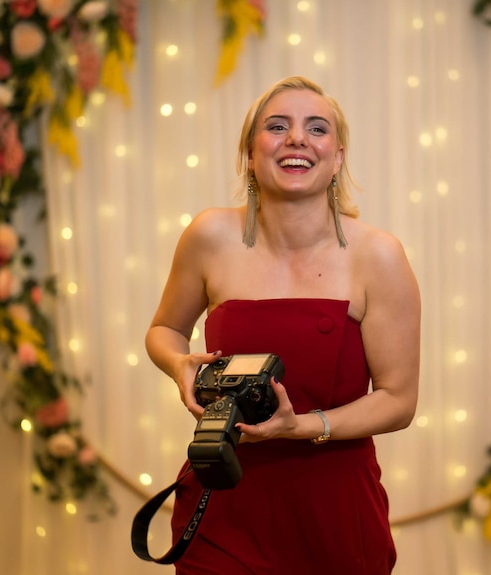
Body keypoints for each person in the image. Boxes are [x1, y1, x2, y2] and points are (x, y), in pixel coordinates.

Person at [145, 76, 421, 574]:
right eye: (277, 126)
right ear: (250, 154)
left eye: (317, 128)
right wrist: (178, 364)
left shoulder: (378, 255)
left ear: (337, 157)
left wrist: (302, 428)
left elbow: (399, 401)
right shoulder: (208, 235)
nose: (296, 138)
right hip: (224, 498)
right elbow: (164, 331)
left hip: (333, 514)